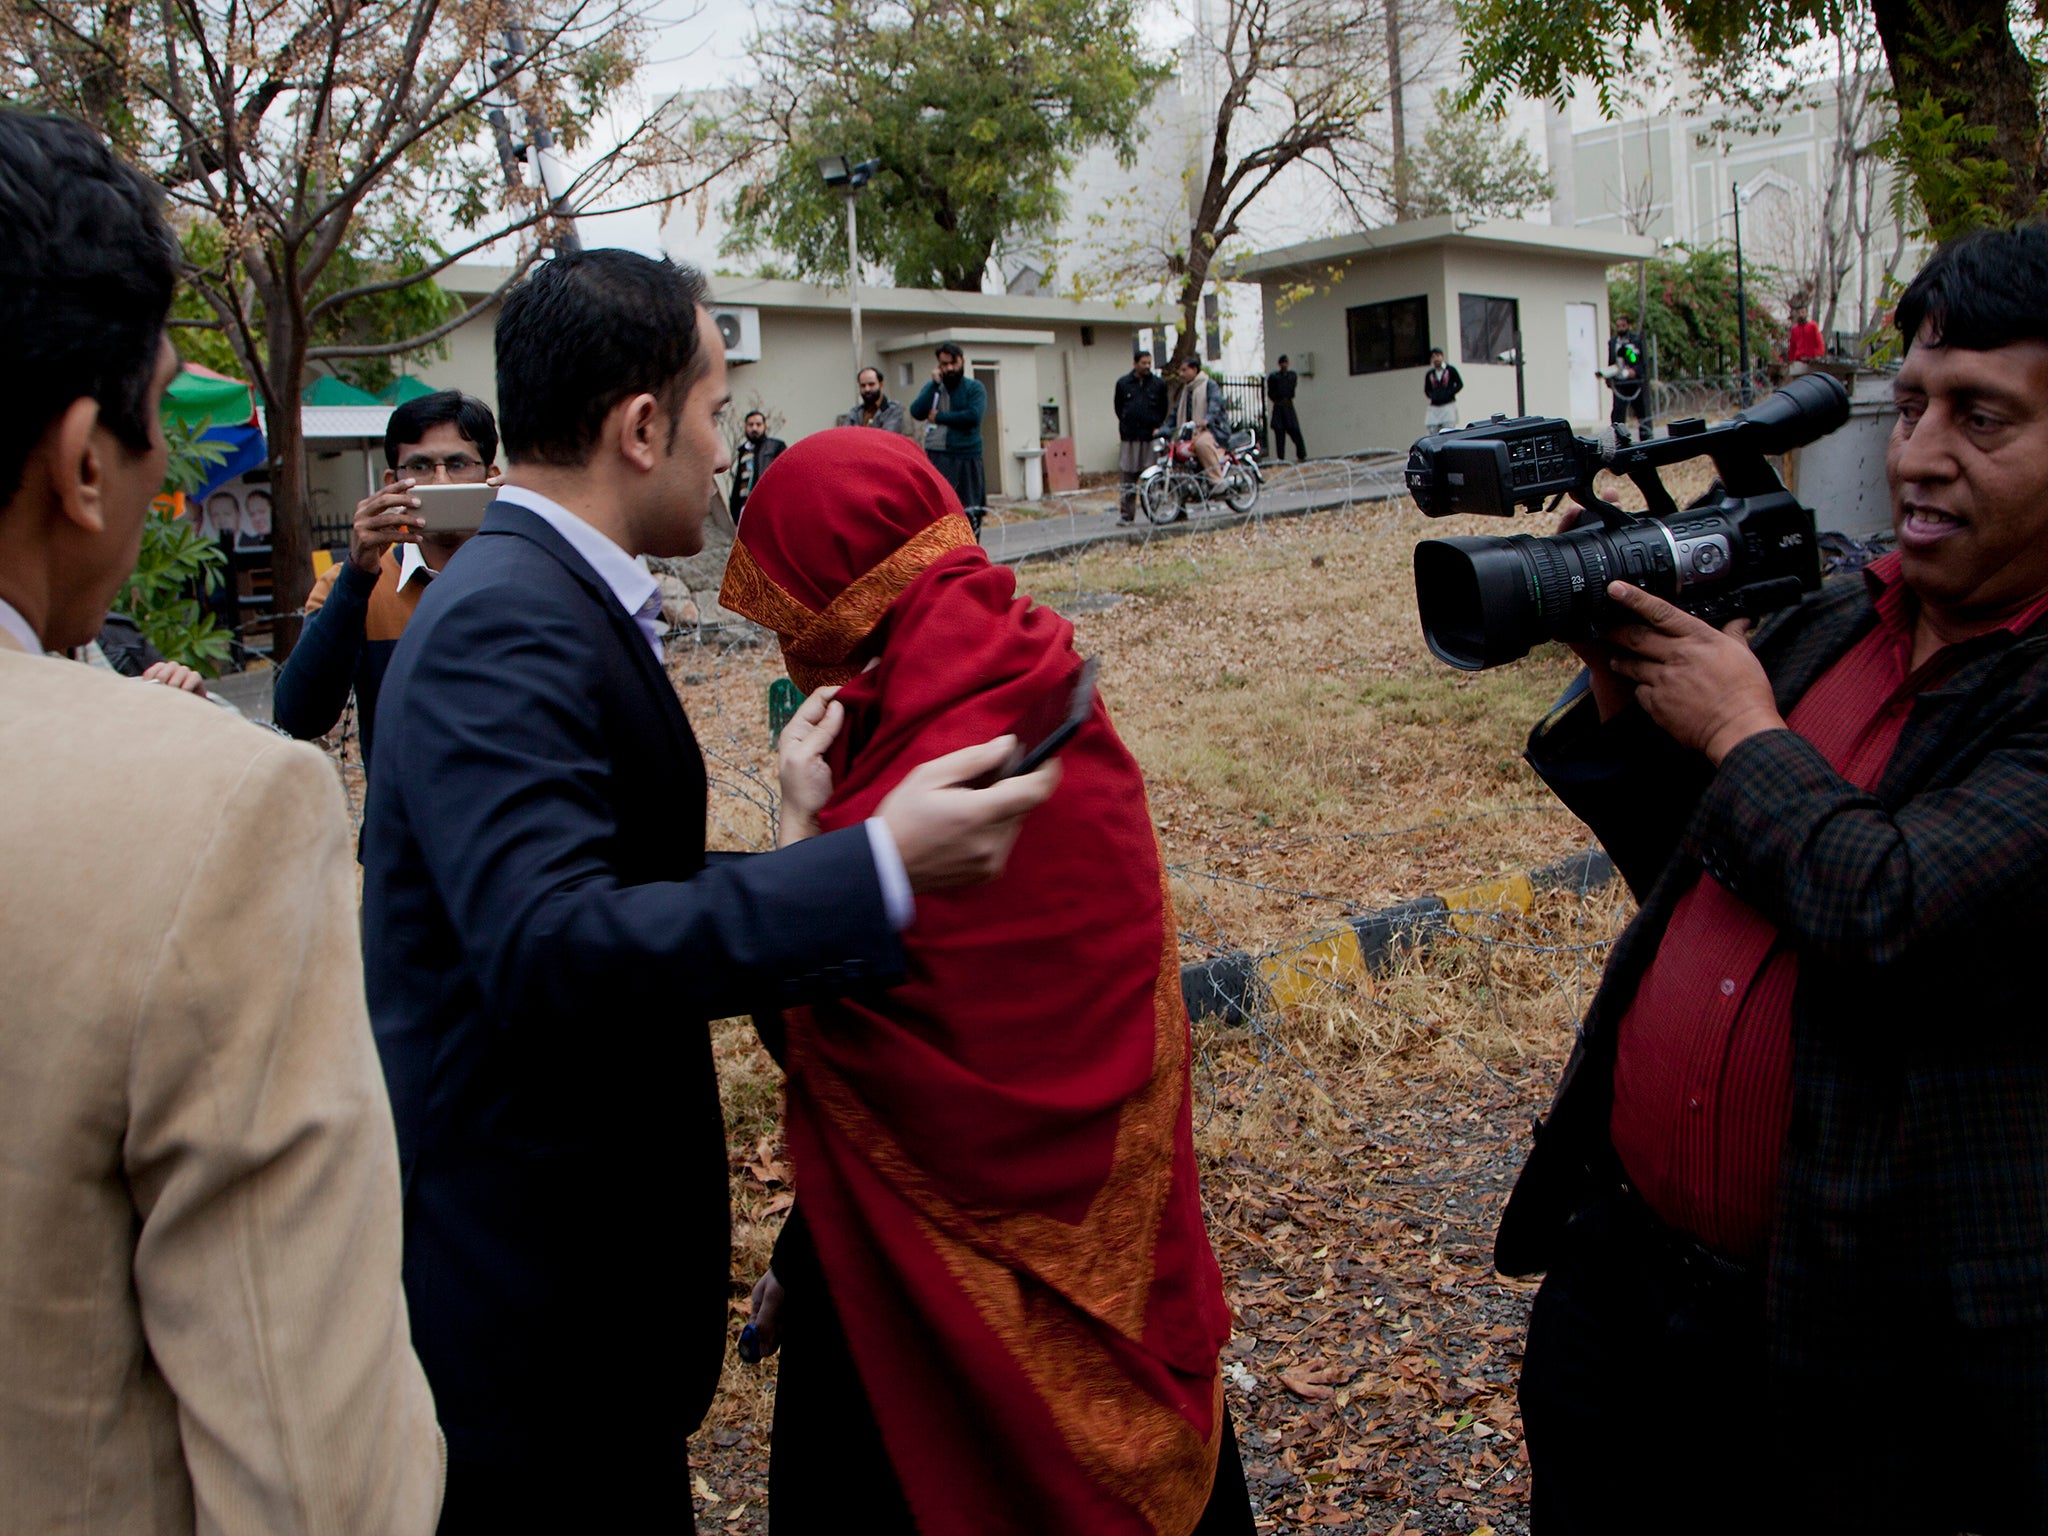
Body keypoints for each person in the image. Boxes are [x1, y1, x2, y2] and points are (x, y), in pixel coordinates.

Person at [362, 249, 1059, 1535]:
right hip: (534, 1328)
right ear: (639, 429)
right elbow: (551, 945)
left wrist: (806, 864)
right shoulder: (508, 621)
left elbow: (603, 885)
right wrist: (873, 869)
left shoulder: (544, 597)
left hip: (579, 1322)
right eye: (709, 411)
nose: (721, 445)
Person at [1502, 224, 2048, 1534]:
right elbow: (1705, 867)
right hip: (1627, 1299)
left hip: (1851, 1362)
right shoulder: (1840, 619)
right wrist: (1636, 695)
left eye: (1984, 418)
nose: (1919, 453)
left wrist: (1742, 728)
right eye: (1911, 403)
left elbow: (1890, 913)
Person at [0, 110, 442, 1535]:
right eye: (157, 425)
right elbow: (320, 1485)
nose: (168, 482)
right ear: (81, 461)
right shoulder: (206, 817)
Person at [718, 428, 1252, 1536]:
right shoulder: (1048, 674)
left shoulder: (901, 760)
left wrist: (805, 838)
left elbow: (835, 1044)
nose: (782, 647)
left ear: (837, 598)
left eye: (784, 616)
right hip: (1123, 1258)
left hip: (929, 1314)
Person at [271, 389, 498, 779]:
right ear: (392, 482)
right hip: (400, 834)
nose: (440, 481)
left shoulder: (525, 573)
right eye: (421, 467)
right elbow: (299, 716)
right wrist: (357, 576)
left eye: (458, 464)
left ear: (491, 476)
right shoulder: (352, 584)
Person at [910, 341, 989, 511]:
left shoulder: (974, 388)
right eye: (945, 364)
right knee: (942, 510)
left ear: (962, 361)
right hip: (940, 456)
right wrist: (934, 384)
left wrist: (940, 417)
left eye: (954, 363)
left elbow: (973, 416)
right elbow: (916, 411)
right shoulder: (935, 388)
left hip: (968, 456)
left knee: (970, 511)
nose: (950, 368)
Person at [1114, 348, 1170, 522]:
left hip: (1150, 438)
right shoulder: (1123, 384)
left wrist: (1157, 426)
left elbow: (1164, 407)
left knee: (1152, 476)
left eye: (1149, 363)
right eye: (1143, 363)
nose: (1147, 366)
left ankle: (1153, 511)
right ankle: (1126, 514)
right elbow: (1118, 407)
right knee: (1128, 478)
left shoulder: (1158, 384)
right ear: (1135, 363)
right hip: (1129, 438)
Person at [1174, 356, 1229, 498]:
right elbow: (1175, 413)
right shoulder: (1186, 391)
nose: (1181, 374)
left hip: (1213, 430)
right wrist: (1162, 430)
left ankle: (1217, 481)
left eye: (1184, 370)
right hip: (1192, 432)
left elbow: (1215, 405)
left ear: (1194, 369)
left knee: (1202, 444)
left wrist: (1206, 420)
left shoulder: (1209, 385)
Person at [729, 408, 785, 521]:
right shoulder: (743, 451)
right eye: (751, 424)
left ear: (764, 426)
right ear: (745, 427)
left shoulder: (775, 447)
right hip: (745, 508)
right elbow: (739, 482)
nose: (754, 428)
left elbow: (784, 477)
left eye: (758, 424)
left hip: (766, 507)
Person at [1607, 313, 1652, 439]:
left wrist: (1635, 372)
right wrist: (1609, 377)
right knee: (1618, 412)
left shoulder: (1636, 341)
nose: (1621, 329)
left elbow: (1641, 362)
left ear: (1628, 326)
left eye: (1623, 325)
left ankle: (1645, 437)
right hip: (1620, 383)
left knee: (1641, 412)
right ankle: (1620, 438)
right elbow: (1611, 361)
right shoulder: (1613, 342)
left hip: (1634, 383)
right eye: (1618, 326)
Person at [840, 364, 911, 434]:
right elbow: (845, 435)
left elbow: (886, 437)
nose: (867, 389)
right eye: (863, 385)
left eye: (871, 384)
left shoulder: (893, 410)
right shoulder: (855, 412)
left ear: (881, 385)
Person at [1267, 352, 1306, 459]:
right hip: (1279, 406)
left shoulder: (1291, 376)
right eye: (1282, 363)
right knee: (1279, 434)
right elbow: (1271, 392)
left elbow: (1292, 387)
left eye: (1285, 363)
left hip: (1288, 406)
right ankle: (1281, 458)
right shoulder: (1274, 377)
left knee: (1295, 431)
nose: (1284, 365)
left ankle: (1302, 455)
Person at [1422, 346, 1464, 432]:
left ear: (1442, 356)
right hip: (1434, 407)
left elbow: (1459, 384)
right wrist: (1433, 396)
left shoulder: (1450, 370)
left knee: (1448, 430)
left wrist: (1449, 393)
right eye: (1433, 357)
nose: (1436, 359)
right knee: (1432, 430)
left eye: (1437, 356)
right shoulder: (1430, 374)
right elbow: (1427, 390)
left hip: (1448, 406)